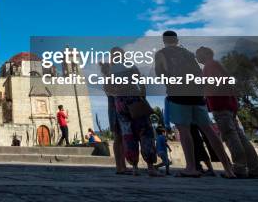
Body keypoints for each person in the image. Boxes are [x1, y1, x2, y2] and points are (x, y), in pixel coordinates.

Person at [155, 31, 236, 178]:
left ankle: (191, 167)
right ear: (177, 39)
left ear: (164, 40)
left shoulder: (161, 54)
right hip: (197, 93)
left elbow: (160, 75)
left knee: (184, 130)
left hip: (178, 92)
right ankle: (228, 169)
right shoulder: (188, 53)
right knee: (209, 130)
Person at [196, 46, 258, 179]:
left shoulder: (210, 66)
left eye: (198, 54)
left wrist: (204, 90)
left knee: (230, 137)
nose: (196, 57)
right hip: (229, 104)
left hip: (220, 105)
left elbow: (215, 84)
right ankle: (255, 169)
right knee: (240, 137)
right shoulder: (217, 65)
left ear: (205, 54)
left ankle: (239, 168)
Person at [107, 47, 161, 177]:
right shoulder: (129, 65)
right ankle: (150, 167)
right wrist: (142, 95)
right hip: (134, 100)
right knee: (144, 131)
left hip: (120, 103)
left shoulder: (110, 70)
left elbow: (109, 88)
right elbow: (139, 79)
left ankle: (135, 167)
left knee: (128, 134)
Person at [100, 60, 130, 175]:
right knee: (119, 139)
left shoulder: (110, 80)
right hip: (115, 111)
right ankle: (120, 166)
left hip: (116, 111)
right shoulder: (108, 81)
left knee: (121, 139)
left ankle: (122, 166)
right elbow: (114, 94)